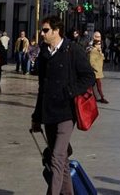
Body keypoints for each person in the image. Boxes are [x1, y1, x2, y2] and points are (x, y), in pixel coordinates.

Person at [30, 14, 96, 195]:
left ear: (56, 31)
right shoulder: (44, 53)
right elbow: (42, 87)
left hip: (66, 112)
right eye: (42, 30)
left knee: (57, 157)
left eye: (45, 30)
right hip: (48, 112)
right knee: (62, 161)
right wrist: (36, 117)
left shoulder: (72, 50)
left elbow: (89, 77)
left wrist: (69, 91)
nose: (42, 33)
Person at [88, 33, 108, 103]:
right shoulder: (93, 51)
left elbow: (103, 58)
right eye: (98, 44)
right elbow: (91, 61)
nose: (100, 45)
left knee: (93, 85)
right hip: (95, 71)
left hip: (98, 71)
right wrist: (94, 68)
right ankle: (101, 97)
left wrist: (100, 52)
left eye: (100, 44)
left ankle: (95, 97)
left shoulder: (98, 50)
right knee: (98, 85)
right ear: (95, 45)